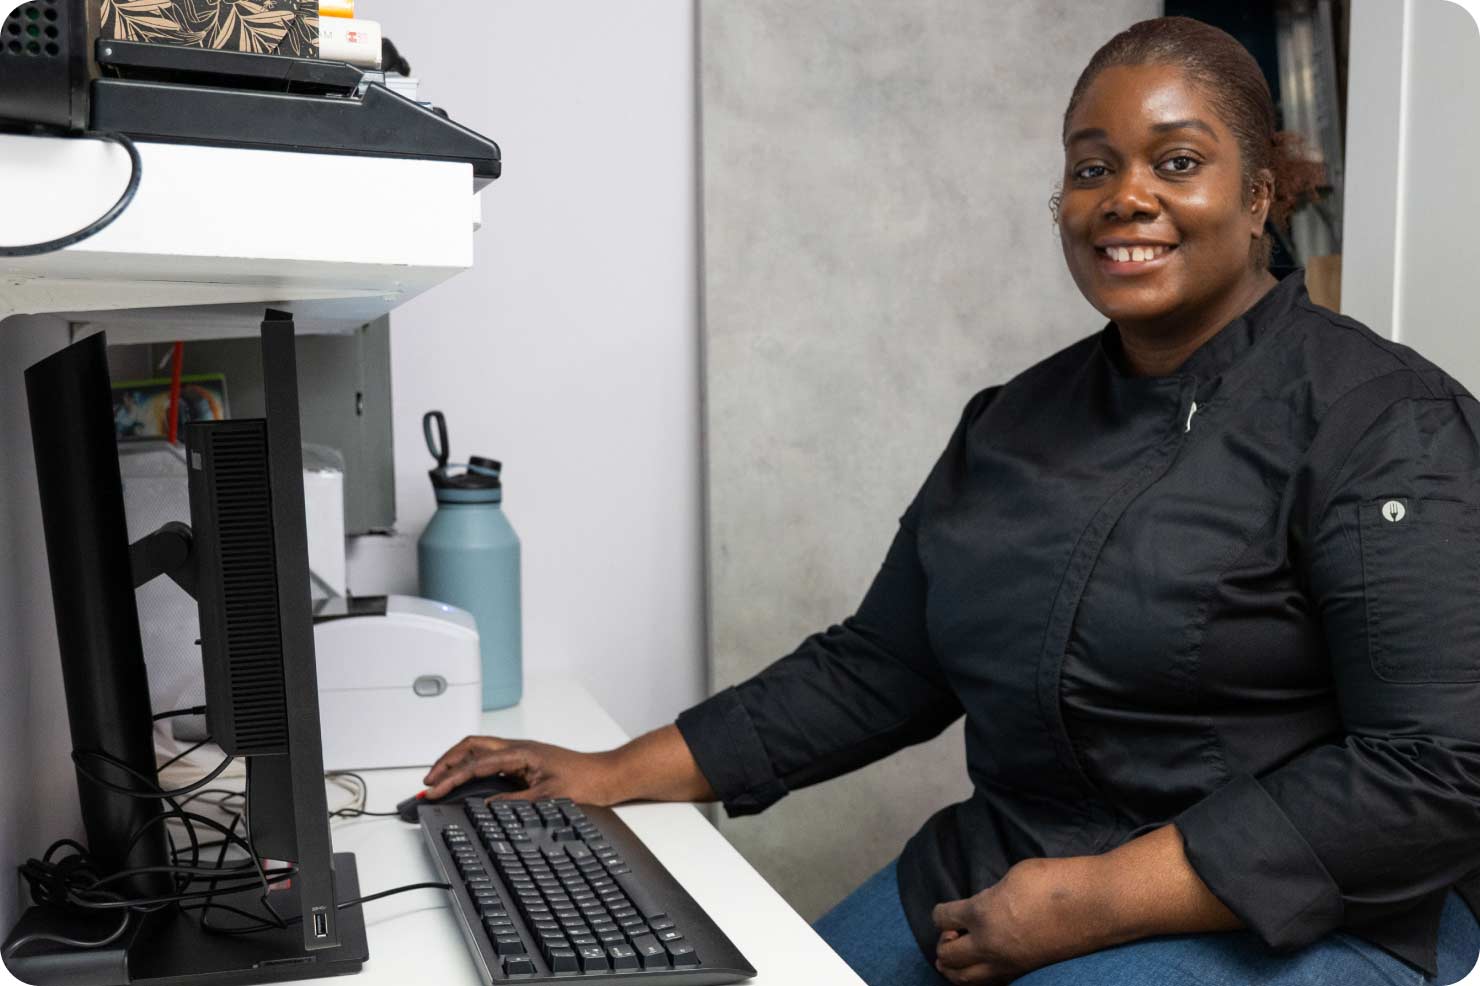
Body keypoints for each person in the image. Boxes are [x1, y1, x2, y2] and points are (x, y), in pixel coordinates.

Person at [422, 16, 1480, 986]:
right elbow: (880, 665)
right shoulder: (1012, 421)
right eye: (1089, 167)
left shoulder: (1387, 424)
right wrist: (612, 768)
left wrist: (1100, 896)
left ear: (1258, 195)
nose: (1124, 197)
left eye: (1179, 162)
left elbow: (1432, 770)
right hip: (1009, 859)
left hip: (1289, 913)